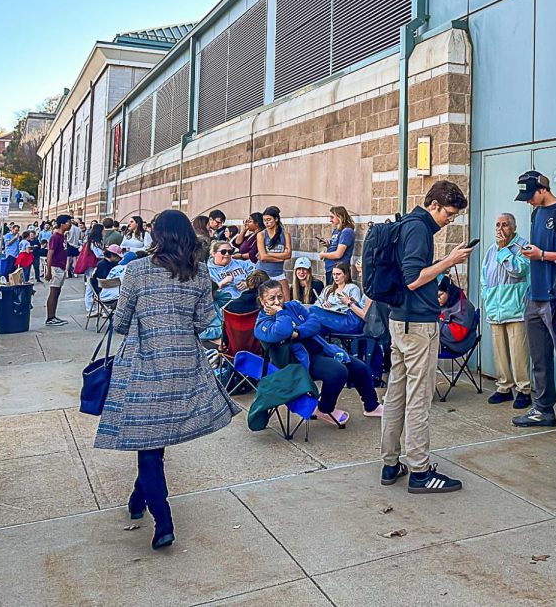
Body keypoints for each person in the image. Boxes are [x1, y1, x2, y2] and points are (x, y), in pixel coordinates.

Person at [94, 210, 241, 551]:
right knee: (153, 445)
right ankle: (137, 499)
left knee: (149, 447)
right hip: (184, 367)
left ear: (156, 236)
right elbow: (205, 321)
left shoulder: (136, 270)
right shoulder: (200, 274)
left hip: (144, 366)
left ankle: (164, 522)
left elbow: (120, 323)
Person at [380, 180, 473, 493]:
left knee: (396, 393)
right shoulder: (419, 229)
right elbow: (412, 279)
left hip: (400, 321)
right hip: (417, 324)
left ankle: (391, 464)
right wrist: (448, 261)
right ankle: (420, 471)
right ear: (433, 205)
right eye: (449, 213)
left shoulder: (408, 224)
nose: (451, 219)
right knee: (418, 398)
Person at [253, 279, 382, 424]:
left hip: (321, 349)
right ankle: (324, 409)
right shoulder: (262, 324)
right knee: (338, 371)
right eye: (272, 298)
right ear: (262, 301)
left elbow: (315, 323)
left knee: (359, 367)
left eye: (280, 297)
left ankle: (372, 406)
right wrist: (281, 313)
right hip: (297, 362)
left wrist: (298, 333)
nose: (277, 301)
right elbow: (283, 331)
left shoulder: (294, 305)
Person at [513, 171, 556, 441]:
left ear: (542, 189)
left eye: (530, 195)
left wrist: (542, 255)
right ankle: (542, 409)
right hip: (534, 294)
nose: (528, 201)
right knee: (539, 358)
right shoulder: (535, 214)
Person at [481, 212, 531, 409]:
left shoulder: (523, 247)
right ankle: (504, 387)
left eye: (505, 225)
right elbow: (485, 276)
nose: (500, 229)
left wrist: (504, 251)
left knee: (519, 352)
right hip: (495, 308)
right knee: (499, 352)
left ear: (514, 227)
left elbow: (518, 270)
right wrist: (486, 297)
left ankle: (524, 390)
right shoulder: (491, 250)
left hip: (516, 308)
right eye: (497, 225)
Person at [311, 263, 368, 336]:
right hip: (328, 315)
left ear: (346, 274)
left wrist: (347, 302)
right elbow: (317, 304)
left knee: (312, 312)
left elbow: (356, 310)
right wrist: (323, 304)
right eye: (334, 274)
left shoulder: (352, 288)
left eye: (338, 274)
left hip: (343, 317)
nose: (335, 277)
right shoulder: (328, 289)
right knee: (315, 322)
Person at [256, 206, 292, 301]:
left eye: (269, 220)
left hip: (278, 273)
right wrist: (280, 258)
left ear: (276, 219)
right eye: (264, 220)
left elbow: (288, 255)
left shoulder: (285, 235)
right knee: (264, 301)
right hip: (263, 273)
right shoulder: (261, 235)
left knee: (286, 301)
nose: (266, 223)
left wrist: (269, 254)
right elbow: (263, 257)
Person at [43, 214, 72, 326]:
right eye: (68, 222)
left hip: (61, 267)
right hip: (55, 267)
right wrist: (49, 271)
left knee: (57, 292)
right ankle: (50, 318)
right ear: (62, 224)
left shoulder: (62, 237)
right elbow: (50, 254)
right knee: (53, 292)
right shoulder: (55, 237)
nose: (70, 224)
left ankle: (53, 316)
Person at [319, 206, 355, 279]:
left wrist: (323, 254)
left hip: (339, 270)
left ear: (340, 217)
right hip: (330, 268)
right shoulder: (337, 230)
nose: (330, 220)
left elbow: (338, 254)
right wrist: (328, 245)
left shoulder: (347, 232)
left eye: (332, 217)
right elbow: (336, 247)